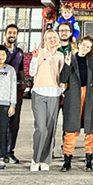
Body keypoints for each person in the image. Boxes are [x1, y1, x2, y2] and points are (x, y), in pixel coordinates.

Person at [59, 36, 93, 172]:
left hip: (89, 96)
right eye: (84, 45)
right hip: (73, 97)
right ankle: (67, 160)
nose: (85, 48)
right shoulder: (70, 59)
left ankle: (88, 160)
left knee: (90, 130)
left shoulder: (92, 62)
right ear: (79, 44)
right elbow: (63, 78)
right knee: (71, 130)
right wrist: (66, 64)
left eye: (88, 47)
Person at [29, 29, 64, 172]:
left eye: (54, 38)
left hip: (54, 94)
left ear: (58, 40)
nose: (52, 40)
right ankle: (35, 159)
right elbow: (31, 72)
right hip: (39, 93)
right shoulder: (40, 53)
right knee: (41, 128)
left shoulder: (61, 55)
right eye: (49, 38)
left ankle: (45, 159)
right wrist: (35, 58)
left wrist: (62, 92)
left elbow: (62, 77)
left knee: (50, 128)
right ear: (45, 40)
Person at [1, 24, 25, 164]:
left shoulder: (20, 52)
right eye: (10, 32)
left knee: (14, 122)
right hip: (1, 90)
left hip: (16, 91)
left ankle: (10, 151)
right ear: (5, 34)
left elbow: (21, 69)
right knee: (1, 121)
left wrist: (23, 82)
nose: (12, 35)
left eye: (14, 33)